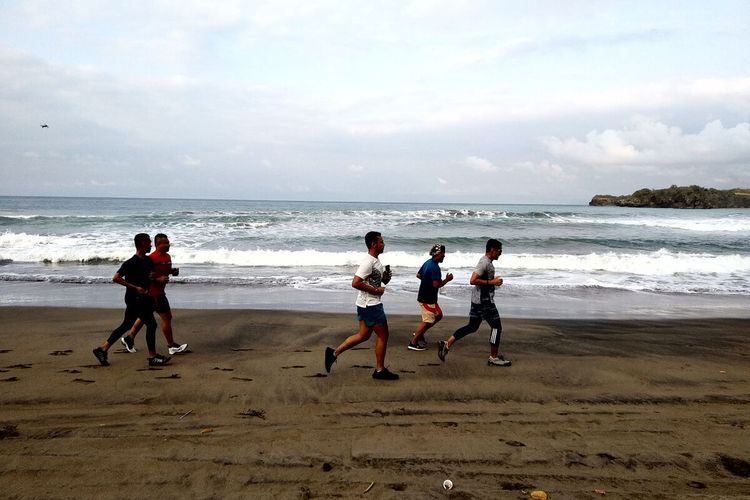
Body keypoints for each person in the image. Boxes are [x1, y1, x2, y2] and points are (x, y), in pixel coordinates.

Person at [324, 231, 399, 380]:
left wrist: (384, 279)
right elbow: (355, 283)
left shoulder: (376, 261)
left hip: (364, 304)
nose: (383, 244)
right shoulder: (368, 262)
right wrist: (377, 290)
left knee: (363, 335)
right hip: (371, 305)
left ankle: (333, 353)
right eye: (381, 242)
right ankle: (379, 370)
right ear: (373, 244)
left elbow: (376, 282)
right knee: (383, 335)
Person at [92, 233, 171, 367]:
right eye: (148, 242)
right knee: (151, 324)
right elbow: (116, 278)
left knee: (127, 325)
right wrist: (135, 287)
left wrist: (159, 280)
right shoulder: (130, 263)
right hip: (134, 298)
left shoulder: (148, 261)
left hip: (144, 297)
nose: (151, 245)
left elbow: (150, 277)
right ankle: (153, 357)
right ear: (141, 243)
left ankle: (102, 349)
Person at [437, 238, 511, 366]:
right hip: (484, 302)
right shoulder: (485, 263)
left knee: (472, 326)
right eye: (499, 251)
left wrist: (493, 281)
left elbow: (480, 281)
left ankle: (447, 344)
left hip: (477, 300)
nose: (501, 253)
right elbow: (472, 280)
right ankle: (493, 357)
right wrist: (492, 282)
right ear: (492, 250)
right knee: (496, 327)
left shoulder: (486, 262)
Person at [120, 233, 188, 356]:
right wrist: (158, 280)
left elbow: (163, 271)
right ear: (157, 245)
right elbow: (147, 275)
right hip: (154, 293)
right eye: (165, 243)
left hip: (160, 292)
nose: (168, 245)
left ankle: (129, 338)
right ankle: (171, 346)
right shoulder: (152, 258)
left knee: (145, 317)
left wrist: (173, 271)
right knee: (166, 317)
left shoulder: (167, 256)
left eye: (168, 242)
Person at [408, 243, 453, 351]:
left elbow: (418, 275)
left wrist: (426, 281)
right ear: (438, 253)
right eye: (443, 253)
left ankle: (420, 333)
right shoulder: (435, 267)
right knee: (428, 321)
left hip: (427, 297)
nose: (444, 256)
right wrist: (447, 280)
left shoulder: (428, 263)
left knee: (438, 315)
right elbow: (436, 285)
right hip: (427, 298)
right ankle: (413, 343)